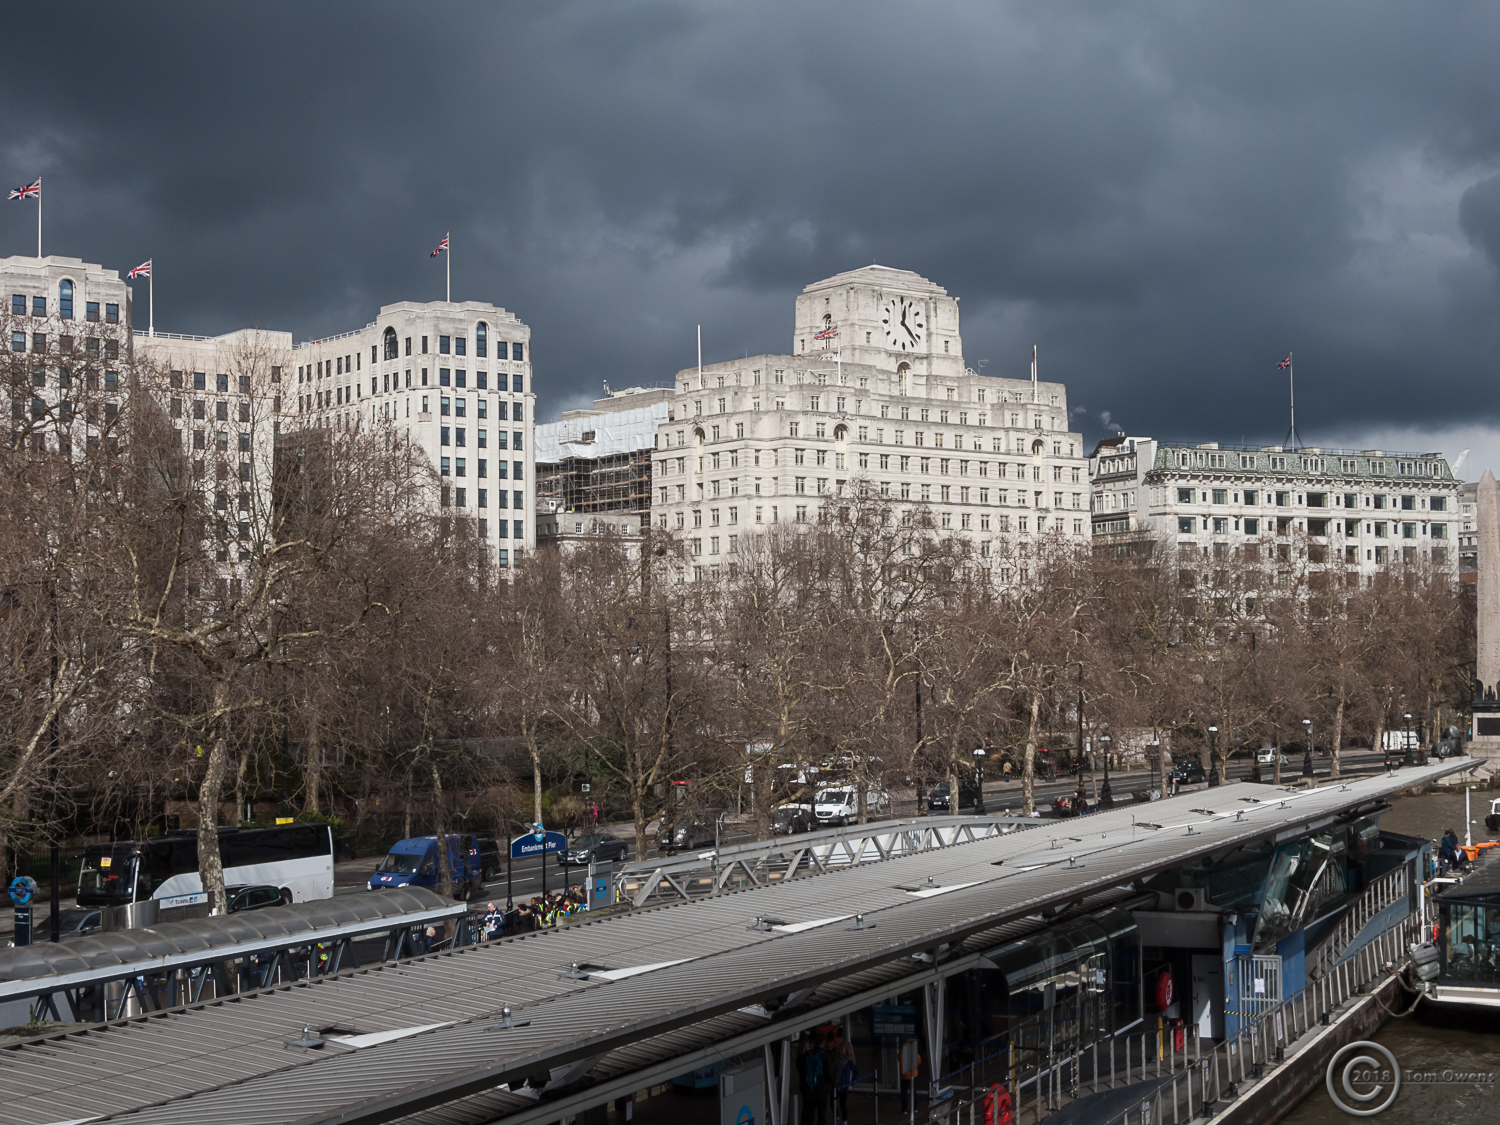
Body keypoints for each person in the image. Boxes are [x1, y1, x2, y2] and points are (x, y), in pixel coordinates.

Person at [829, 1029, 856, 1125]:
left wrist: (851, 1084)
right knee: (832, 1103)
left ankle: (845, 1122)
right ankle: (836, 1119)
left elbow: (856, 1074)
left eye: (842, 1049)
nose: (840, 1051)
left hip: (843, 1085)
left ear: (846, 1050)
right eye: (840, 1049)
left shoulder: (850, 1061)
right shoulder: (836, 1058)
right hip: (835, 1085)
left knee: (842, 1105)